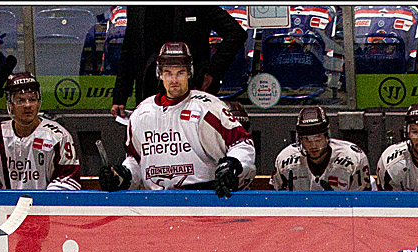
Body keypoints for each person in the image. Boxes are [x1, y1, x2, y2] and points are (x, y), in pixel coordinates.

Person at [99, 42, 255, 198]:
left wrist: (233, 163)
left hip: (203, 198)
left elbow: (242, 143)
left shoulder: (208, 107)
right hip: (156, 201)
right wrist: (122, 176)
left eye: (180, 73)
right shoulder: (141, 114)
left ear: (189, 73)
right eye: (168, 73)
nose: (174, 79)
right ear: (159, 74)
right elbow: (135, 161)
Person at [110, 6, 247, 118]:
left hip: (192, 94)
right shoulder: (137, 7)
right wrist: (119, 98)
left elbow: (236, 33)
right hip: (149, 94)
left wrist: (212, 72)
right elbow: (129, 51)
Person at [0, 72, 82, 190]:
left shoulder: (58, 136)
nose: (28, 105)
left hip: (45, 207)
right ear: (10, 105)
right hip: (6, 207)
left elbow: (69, 181)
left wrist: (42, 201)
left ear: (39, 102)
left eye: (32, 99)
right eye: (20, 100)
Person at [270, 106, 371, 191]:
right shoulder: (285, 160)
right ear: (299, 140)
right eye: (306, 139)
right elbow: (274, 200)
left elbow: (362, 202)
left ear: (327, 136)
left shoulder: (354, 157)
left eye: (318, 138)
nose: (313, 145)